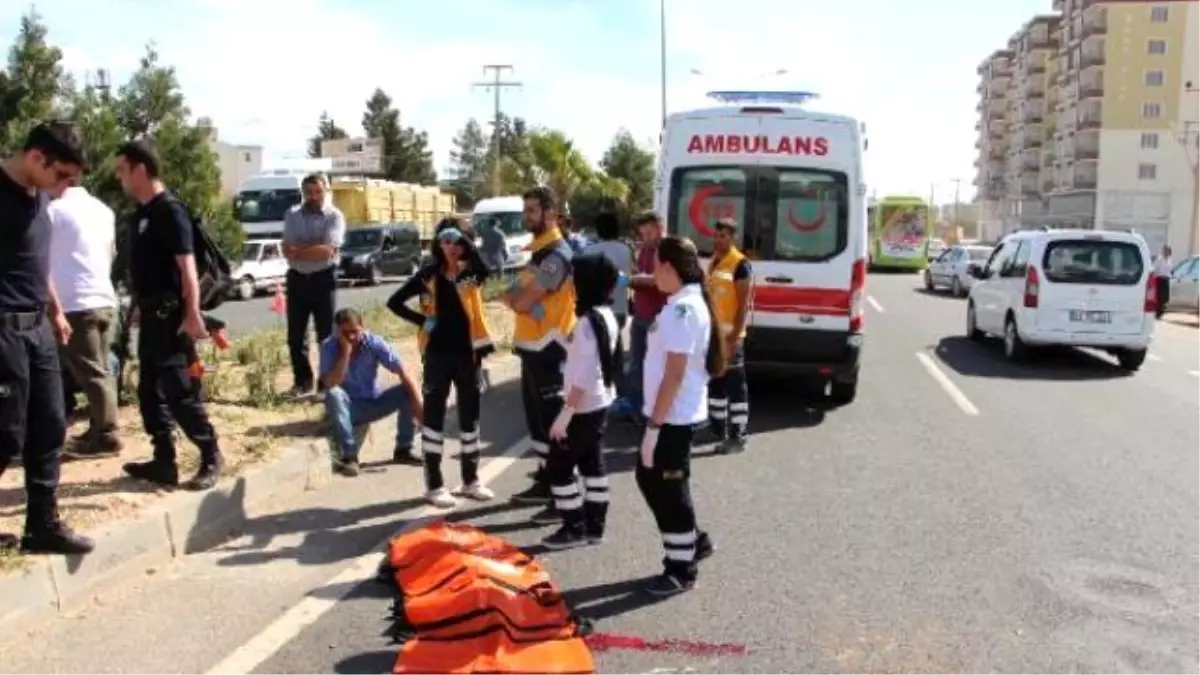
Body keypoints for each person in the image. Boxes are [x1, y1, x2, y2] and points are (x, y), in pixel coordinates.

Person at [0, 121, 94, 555]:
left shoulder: (38, 197)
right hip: (3, 331)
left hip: (37, 326)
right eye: (62, 177)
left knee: (51, 425)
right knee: (5, 434)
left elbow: (35, 263)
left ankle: (42, 525)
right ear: (36, 157)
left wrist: (55, 310)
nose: (64, 188)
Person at [117, 140, 225, 491]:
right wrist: (137, 309)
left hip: (172, 316)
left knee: (178, 388)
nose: (118, 176)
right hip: (150, 315)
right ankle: (164, 460)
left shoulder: (169, 210)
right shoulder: (142, 214)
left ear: (141, 170)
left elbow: (187, 266)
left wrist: (192, 313)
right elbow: (143, 271)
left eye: (123, 169)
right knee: (149, 391)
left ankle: (211, 454)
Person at [387, 217, 496, 507]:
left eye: (456, 241)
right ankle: (434, 485)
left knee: (469, 416)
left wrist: (468, 245)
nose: (450, 247)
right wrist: (423, 321)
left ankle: (471, 480)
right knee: (433, 418)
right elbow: (394, 302)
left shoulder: (469, 275)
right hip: (436, 355)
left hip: (468, 355)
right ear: (437, 244)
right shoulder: (427, 276)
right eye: (445, 241)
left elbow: (487, 271)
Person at [636, 236, 719, 596]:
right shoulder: (681, 304)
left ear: (669, 267)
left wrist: (655, 425)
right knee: (649, 478)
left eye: (656, 266)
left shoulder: (683, 309)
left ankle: (681, 568)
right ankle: (692, 541)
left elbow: (675, 373)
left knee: (671, 491)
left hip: (673, 416)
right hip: (669, 413)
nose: (652, 273)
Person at [501, 186, 576, 518]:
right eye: (525, 209)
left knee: (555, 427)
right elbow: (508, 296)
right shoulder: (537, 253)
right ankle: (548, 483)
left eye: (532, 210)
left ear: (550, 213)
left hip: (552, 350)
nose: (526, 216)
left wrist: (523, 301)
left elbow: (524, 300)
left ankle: (564, 497)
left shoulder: (558, 254)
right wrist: (522, 301)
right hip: (532, 350)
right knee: (537, 425)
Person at [541, 253, 620, 549]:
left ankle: (573, 526)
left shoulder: (588, 322)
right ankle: (594, 526)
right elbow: (593, 358)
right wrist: (564, 340)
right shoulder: (605, 315)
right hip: (599, 402)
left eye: (576, 277)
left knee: (559, 467)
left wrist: (566, 415)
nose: (572, 282)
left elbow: (585, 373)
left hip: (583, 405)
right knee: (592, 464)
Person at [47, 179, 122, 458]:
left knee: (91, 373)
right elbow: (110, 253)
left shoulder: (54, 211)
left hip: (75, 304)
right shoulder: (104, 210)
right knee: (102, 369)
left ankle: (107, 436)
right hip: (105, 299)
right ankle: (99, 429)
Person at [319, 307, 423, 477]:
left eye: (355, 331)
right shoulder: (329, 347)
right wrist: (345, 353)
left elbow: (404, 371)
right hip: (349, 408)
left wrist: (421, 411)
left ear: (362, 327)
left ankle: (404, 448)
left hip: (375, 402)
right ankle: (350, 456)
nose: (351, 337)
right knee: (334, 394)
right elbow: (331, 382)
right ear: (337, 332)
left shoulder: (374, 342)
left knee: (408, 387)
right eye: (345, 333)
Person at [282, 173, 345, 396]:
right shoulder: (292, 214)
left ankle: (325, 384)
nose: (314, 196)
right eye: (309, 192)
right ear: (303, 193)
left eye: (318, 191)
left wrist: (301, 250)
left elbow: (328, 251)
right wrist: (311, 249)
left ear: (326, 191)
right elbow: (286, 249)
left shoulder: (335, 216)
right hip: (297, 279)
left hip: (323, 280)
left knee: (326, 335)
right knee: (295, 336)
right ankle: (302, 381)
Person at [611, 211, 667, 421]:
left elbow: (656, 280)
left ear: (660, 228)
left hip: (659, 318)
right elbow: (640, 275)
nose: (645, 237)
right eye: (642, 233)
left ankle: (654, 408)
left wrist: (627, 280)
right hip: (641, 315)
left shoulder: (666, 251)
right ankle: (636, 405)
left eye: (649, 232)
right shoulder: (644, 250)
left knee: (656, 366)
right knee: (637, 363)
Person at [705, 217, 752, 453]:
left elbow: (744, 304)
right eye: (716, 235)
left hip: (731, 338)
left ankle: (738, 436)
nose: (718, 240)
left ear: (732, 238)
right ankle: (717, 429)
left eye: (723, 236)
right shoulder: (715, 262)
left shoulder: (740, 264)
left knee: (735, 387)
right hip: (714, 337)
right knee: (716, 384)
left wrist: (734, 338)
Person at [1154, 245, 1172, 319]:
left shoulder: (1170, 260)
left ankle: (1161, 311)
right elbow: (1156, 268)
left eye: (1169, 251)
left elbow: (1169, 270)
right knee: (1159, 297)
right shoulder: (1160, 259)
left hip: (1166, 279)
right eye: (1166, 251)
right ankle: (1158, 312)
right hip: (1160, 278)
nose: (1167, 252)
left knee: (1165, 297)